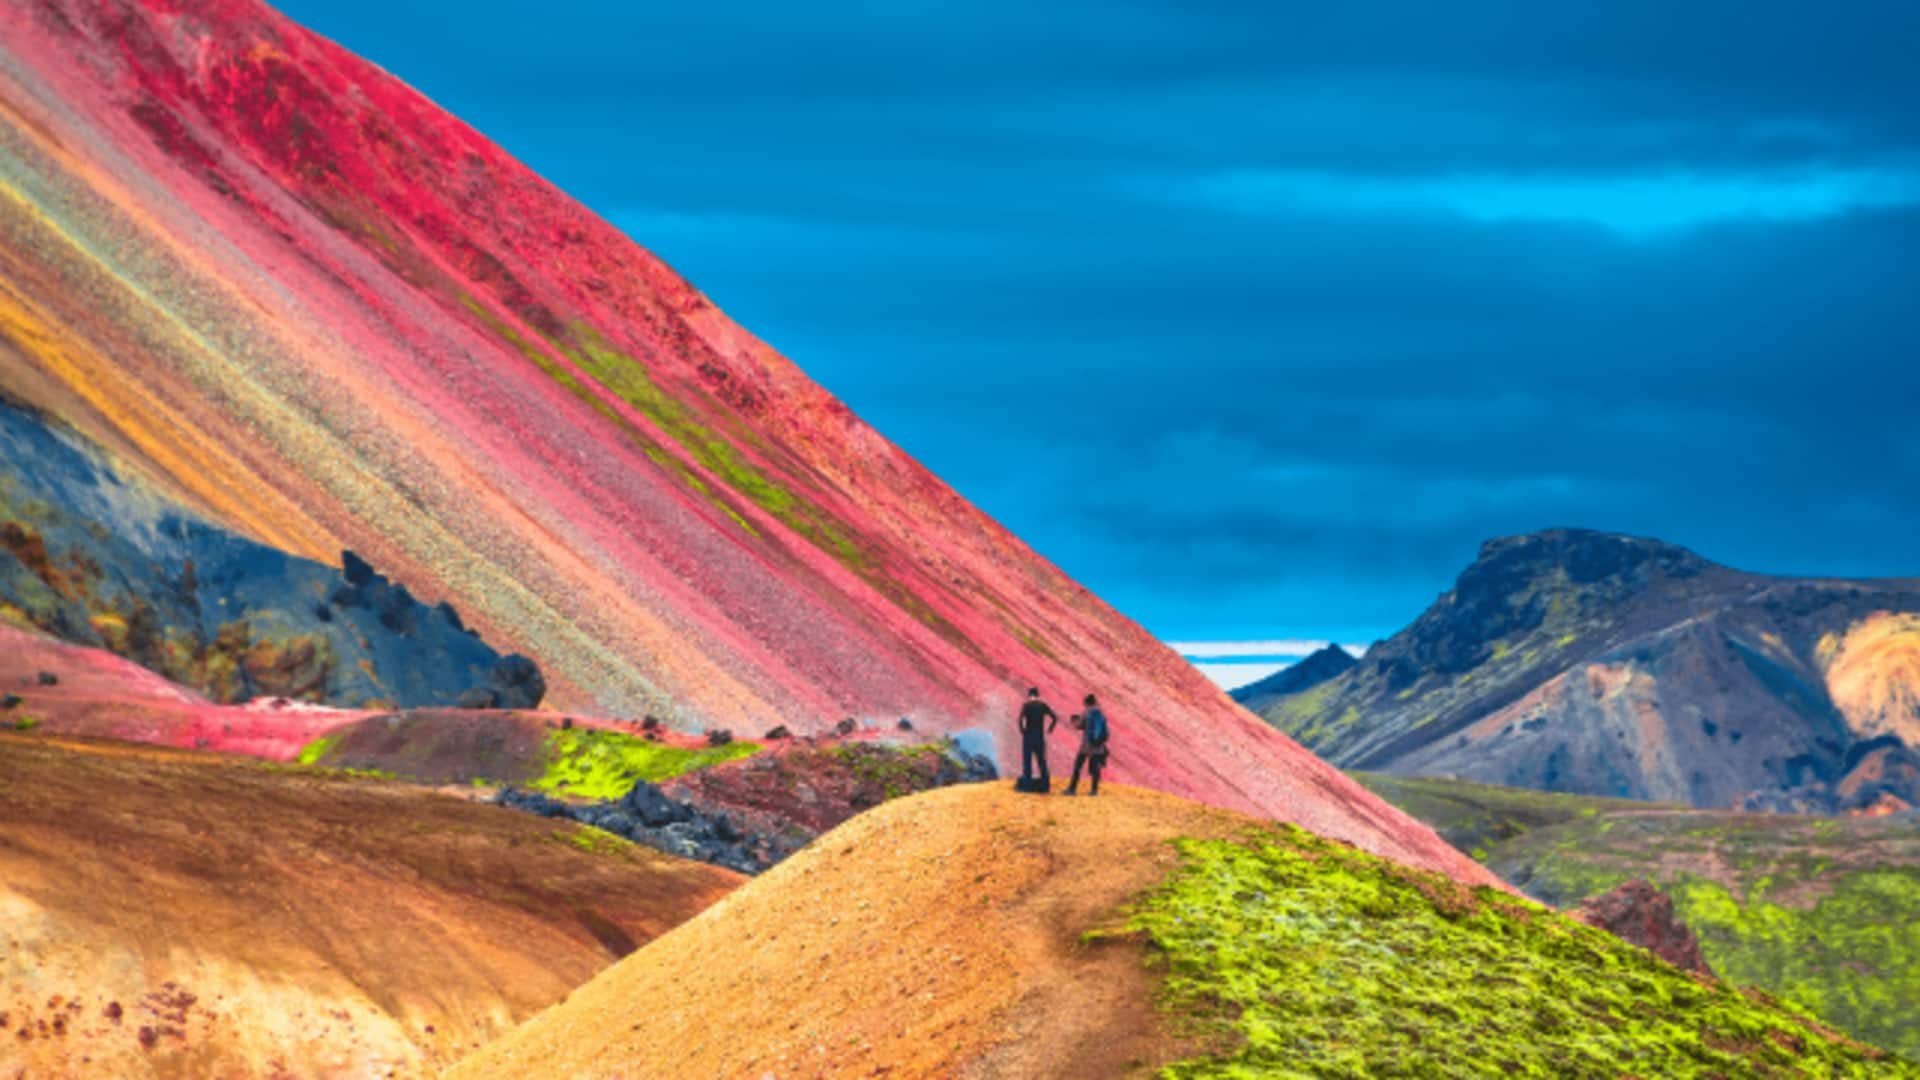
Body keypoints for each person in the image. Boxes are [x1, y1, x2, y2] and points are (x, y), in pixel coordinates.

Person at [1066, 693, 1110, 796]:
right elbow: (1106, 731)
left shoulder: (1086, 712)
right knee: (1095, 769)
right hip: (1098, 746)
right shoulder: (1100, 714)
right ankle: (1094, 791)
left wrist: (1074, 721)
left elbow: (1079, 725)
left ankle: (1072, 789)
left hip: (1087, 745)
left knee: (1078, 766)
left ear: (1086, 702)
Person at [1016, 687, 1058, 788]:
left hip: (1029, 736)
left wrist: (1023, 731)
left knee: (1027, 761)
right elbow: (1054, 717)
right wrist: (1050, 729)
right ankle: (1045, 784)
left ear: (1029, 695)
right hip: (1039, 736)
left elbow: (1020, 720)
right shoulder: (1042, 705)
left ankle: (1027, 784)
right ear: (1037, 695)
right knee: (1041, 760)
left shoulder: (1026, 706)